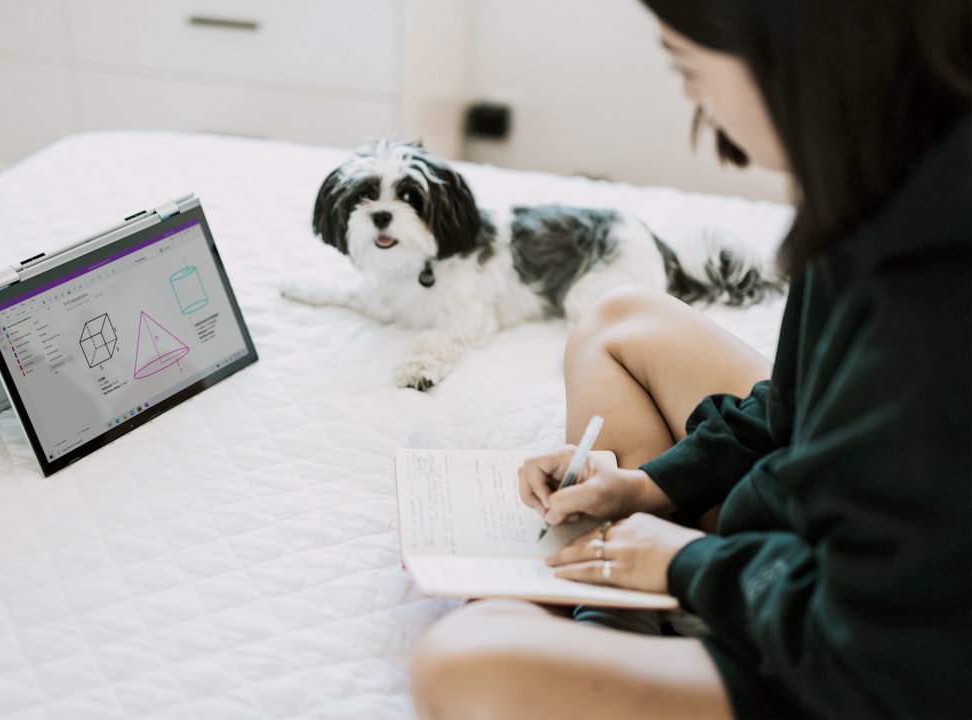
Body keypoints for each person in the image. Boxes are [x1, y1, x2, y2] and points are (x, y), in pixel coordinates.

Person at [409, 1, 971, 718]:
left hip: (867, 659)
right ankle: (613, 601)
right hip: (832, 523)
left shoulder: (937, 301)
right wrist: (649, 488)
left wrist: (680, 562)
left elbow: (875, 635)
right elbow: (797, 410)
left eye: (689, 68)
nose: (689, 96)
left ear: (794, 59)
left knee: (464, 665)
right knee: (617, 319)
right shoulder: (887, 170)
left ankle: (604, 615)